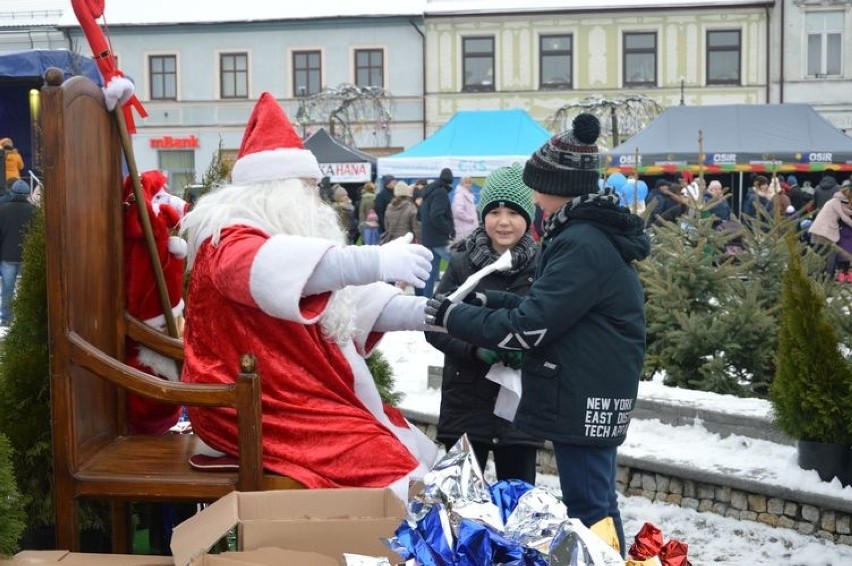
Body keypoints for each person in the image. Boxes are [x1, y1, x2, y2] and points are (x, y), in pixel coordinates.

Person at [179, 93, 437, 498]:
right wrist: (374, 261)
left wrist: (430, 312)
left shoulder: (271, 233)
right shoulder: (227, 240)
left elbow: (345, 302)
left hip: (289, 397)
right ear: (277, 190)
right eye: (309, 188)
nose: (317, 200)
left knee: (409, 445)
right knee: (389, 465)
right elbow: (279, 269)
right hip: (247, 408)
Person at [424, 114, 650, 557]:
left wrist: (454, 316)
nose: (528, 196)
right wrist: (490, 303)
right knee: (595, 503)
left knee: (589, 508)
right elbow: (550, 308)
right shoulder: (580, 232)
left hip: (585, 390)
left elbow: (530, 326)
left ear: (554, 185)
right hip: (590, 385)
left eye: (533, 185)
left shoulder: (580, 240)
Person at [425, 163, 542, 484]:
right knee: (456, 504)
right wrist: (474, 349)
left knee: (518, 506)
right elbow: (434, 325)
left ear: (528, 218)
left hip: (519, 407)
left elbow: (555, 325)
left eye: (514, 213)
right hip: (466, 402)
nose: (503, 222)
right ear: (482, 215)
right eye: (495, 212)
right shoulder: (462, 264)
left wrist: (528, 351)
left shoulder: (543, 266)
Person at [0, 179, 36, 326]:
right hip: (27, 255)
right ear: (28, 194)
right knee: (27, 288)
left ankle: (7, 318)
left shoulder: (2, 210)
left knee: (8, 288)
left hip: (7, 255)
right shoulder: (35, 211)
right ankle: (26, 318)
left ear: (12, 192)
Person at [419, 167, 455, 298]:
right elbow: (436, 215)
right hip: (439, 238)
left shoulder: (428, 193)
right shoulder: (441, 193)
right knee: (460, 263)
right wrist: (448, 229)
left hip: (428, 238)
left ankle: (426, 300)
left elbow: (420, 215)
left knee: (431, 273)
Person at [808, 184, 852, 277]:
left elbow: (845, 211)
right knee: (831, 255)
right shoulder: (836, 202)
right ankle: (828, 278)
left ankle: (822, 277)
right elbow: (844, 217)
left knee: (824, 255)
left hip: (820, 231)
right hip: (823, 233)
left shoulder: (835, 201)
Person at [451, 176, 478, 240]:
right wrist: (470, 219)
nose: (468, 184)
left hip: (469, 229)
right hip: (464, 230)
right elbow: (457, 212)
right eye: (466, 182)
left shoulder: (468, 194)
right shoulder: (459, 195)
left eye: (470, 182)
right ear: (461, 183)